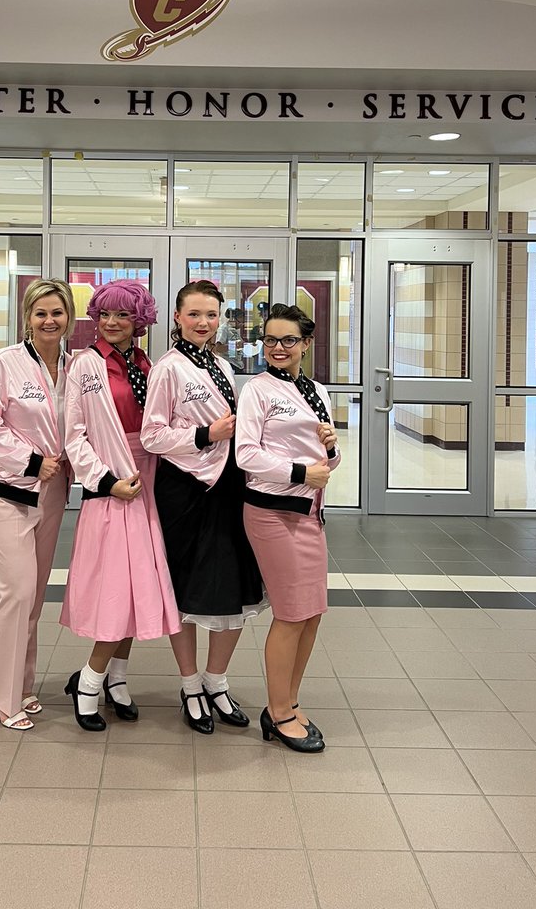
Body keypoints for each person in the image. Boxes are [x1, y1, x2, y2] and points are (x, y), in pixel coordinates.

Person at [141, 279, 266, 735]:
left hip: (229, 485)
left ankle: (217, 682)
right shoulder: (167, 368)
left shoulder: (221, 366)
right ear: (177, 317)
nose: (203, 323)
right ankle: (190, 684)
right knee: (187, 589)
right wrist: (203, 435)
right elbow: (153, 434)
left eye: (211, 315)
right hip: (185, 489)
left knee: (231, 587)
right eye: (194, 314)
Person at [60, 279, 181, 731]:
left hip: (150, 481)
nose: (111, 323)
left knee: (138, 587)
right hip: (113, 485)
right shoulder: (84, 366)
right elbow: (74, 435)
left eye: (122, 315)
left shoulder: (152, 365)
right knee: (115, 589)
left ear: (140, 320)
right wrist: (107, 482)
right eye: (104, 314)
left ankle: (117, 679)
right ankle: (89, 683)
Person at [235, 303, 340, 754]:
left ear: (306, 344)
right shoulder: (257, 391)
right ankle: (278, 714)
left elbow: (326, 461)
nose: (278, 348)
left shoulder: (316, 391)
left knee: (312, 612)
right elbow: (246, 455)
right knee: (292, 612)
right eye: (271, 340)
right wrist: (302, 473)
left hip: (309, 513)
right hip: (272, 512)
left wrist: (331, 452)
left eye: (288, 340)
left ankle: (289, 701)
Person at [0, 278, 76, 730]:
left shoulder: (76, 368)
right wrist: (33, 461)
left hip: (52, 494)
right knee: (13, 592)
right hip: (5, 492)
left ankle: (23, 686)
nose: (49, 320)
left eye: (57, 312)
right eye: (40, 313)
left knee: (32, 596)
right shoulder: (4, 365)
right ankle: (3, 698)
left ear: (70, 316)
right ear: (27, 319)